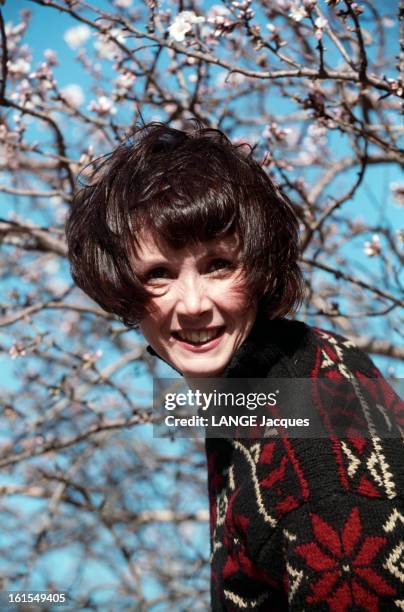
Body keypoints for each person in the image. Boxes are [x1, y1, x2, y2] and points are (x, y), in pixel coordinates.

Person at [66, 122, 403, 611]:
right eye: (158, 274)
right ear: (123, 289)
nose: (194, 304)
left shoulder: (316, 419)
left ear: (261, 267)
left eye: (218, 265)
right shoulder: (246, 401)